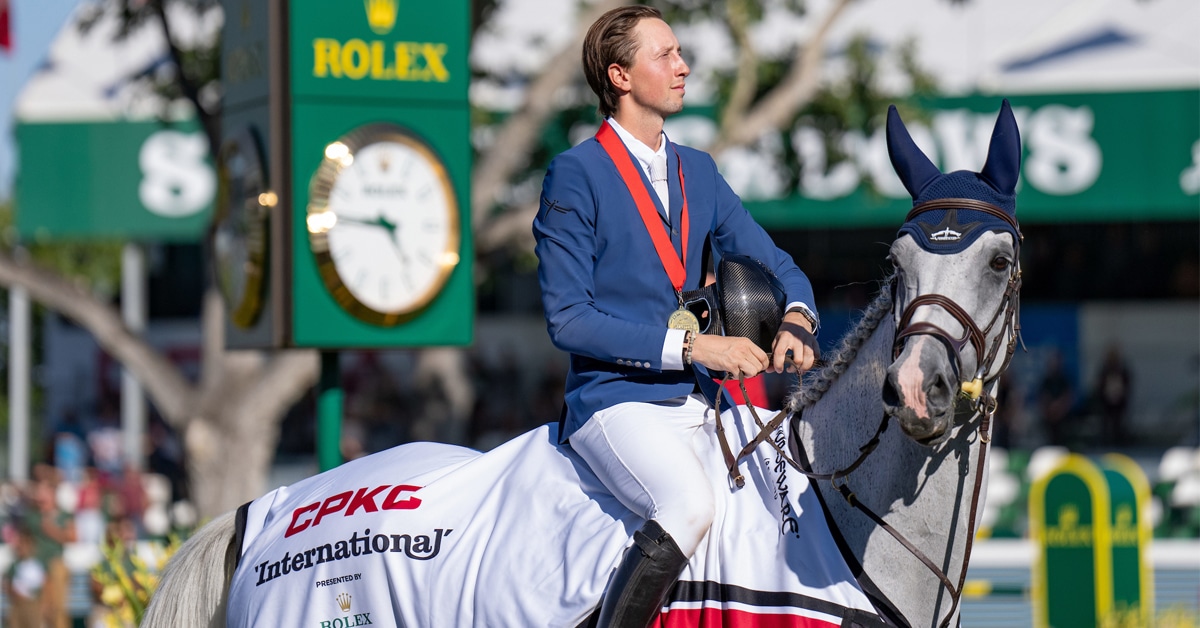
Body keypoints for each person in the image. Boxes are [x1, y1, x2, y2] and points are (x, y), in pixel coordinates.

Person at [532, 6, 819, 626]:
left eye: (680, 52)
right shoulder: (574, 174)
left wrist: (798, 319)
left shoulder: (700, 170)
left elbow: (778, 264)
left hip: (699, 400)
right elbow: (568, 320)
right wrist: (693, 350)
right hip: (614, 402)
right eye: (665, 55)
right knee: (690, 505)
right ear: (621, 75)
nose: (683, 66)